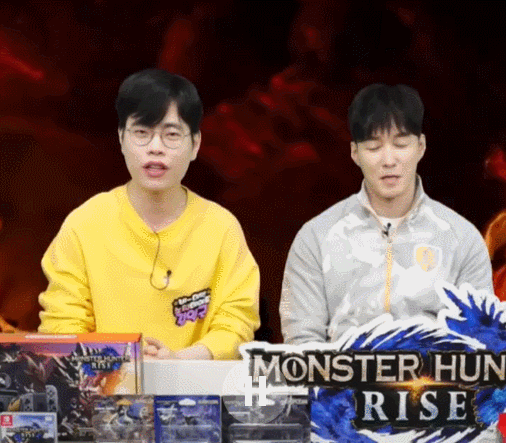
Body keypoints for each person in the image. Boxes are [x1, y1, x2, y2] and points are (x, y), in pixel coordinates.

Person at [38, 69, 260, 360]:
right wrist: (123, 361)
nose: (156, 148)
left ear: (195, 144)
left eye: (171, 135)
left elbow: (237, 322)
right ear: (121, 139)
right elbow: (62, 328)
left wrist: (181, 360)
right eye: (142, 133)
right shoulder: (84, 225)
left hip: (195, 384)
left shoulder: (221, 228)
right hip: (104, 385)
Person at [280, 83, 493, 344]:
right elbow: (302, 339)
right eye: (373, 148)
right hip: (339, 370)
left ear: (421, 147)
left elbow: (480, 341)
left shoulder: (463, 239)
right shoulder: (315, 237)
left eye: (401, 144)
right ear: (355, 153)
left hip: (435, 370)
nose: (389, 160)